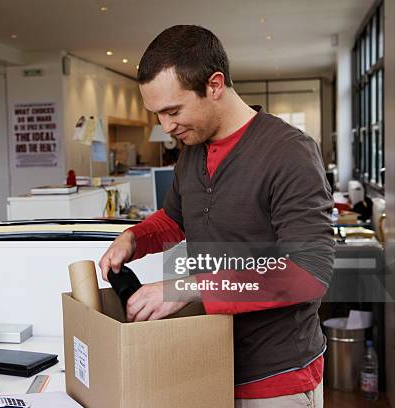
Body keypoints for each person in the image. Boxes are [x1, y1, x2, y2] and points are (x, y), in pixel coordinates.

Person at [99, 25, 334, 407]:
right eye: (157, 114)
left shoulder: (289, 153)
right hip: (209, 363)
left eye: (173, 111)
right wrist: (134, 238)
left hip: (276, 378)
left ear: (214, 85)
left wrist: (184, 288)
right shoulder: (192, 149)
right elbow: (175, 220)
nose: (166, 127)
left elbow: (308, 274)